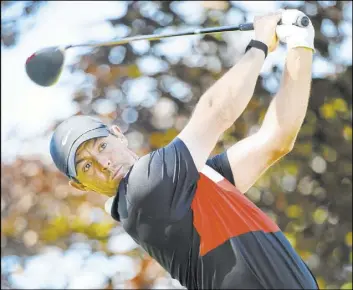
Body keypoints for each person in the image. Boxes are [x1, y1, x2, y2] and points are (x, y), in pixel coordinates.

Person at [50, 9, 319, 289]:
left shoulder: (190, 182)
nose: (104, 163)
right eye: (86, 166)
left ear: (118, 134)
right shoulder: (143, 191)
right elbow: (217, 111)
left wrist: (300, 42)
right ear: (80, 185)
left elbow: (277, 138)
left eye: (102, 145)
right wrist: (259, 44)